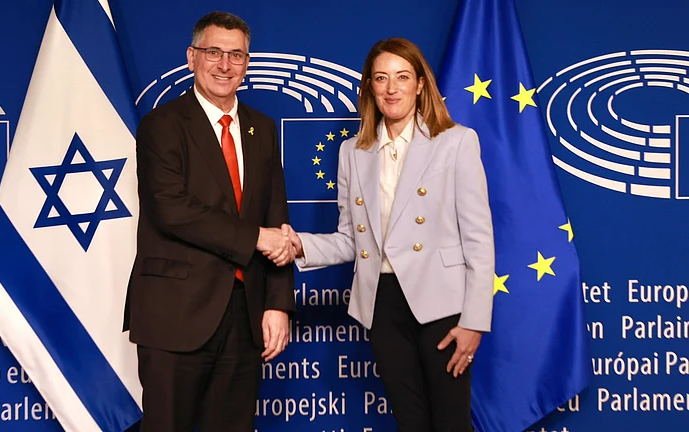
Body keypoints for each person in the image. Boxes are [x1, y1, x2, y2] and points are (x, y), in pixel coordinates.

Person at [287, 38, 494, 431]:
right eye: (381, 78)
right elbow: (350, 239)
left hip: (442, 303)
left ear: (420, 84)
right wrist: (299, 245)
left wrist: (474, 321)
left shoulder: (455, 141)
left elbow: (479, 239)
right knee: (409, 422)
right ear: (369, 87)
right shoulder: (352, 151)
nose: (391, 88)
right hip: (382, 304)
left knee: (451, 422)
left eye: (402, 77)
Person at [123, 11, 296, 432]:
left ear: (247, 63)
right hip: (175, 314)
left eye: (236, 55)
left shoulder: (262, 129)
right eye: (213, 52)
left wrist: (277, 303)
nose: (224, 65)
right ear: (191, 57)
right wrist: (255, 238)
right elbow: (172, 210)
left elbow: (276, 219)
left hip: (244, 316)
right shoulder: (161, 125)